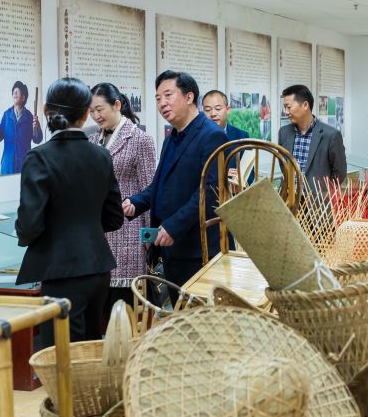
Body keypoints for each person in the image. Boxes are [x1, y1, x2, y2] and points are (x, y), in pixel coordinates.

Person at [15, 77, 124, 347]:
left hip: (61, 271)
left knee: (60, 355)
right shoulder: (101, 155)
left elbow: (30, 225)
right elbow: (114, 218)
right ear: (86, 113)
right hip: (98, 268)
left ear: (45, 110)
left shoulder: (39, 157)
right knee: (90, 350)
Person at [124, 71, 228, 297]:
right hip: (171, 248)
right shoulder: (171, 137)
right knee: (179, 313)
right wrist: (135, 202)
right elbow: (160, 185)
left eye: (168, 95)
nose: (162, 103)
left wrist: (174, 226)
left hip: (198, 249)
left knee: (199, 314)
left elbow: (210, 191)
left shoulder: (212, 135)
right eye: (158, 98)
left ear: (189, 97)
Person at [89, 82, 157, 313]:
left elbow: (150, 191)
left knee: (126, 309)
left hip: (129, 235)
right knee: (101, 310)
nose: (96, 116)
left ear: (117, 105)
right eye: (92, 111)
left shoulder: (140, 139)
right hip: (98, 236)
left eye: (100, 109)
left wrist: (149, 242)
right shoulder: (92, 141)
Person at [278, 84, 347, 189]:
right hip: (289, 197)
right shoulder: (284, 132)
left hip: (318, 198)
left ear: (305, 105)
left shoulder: (331, 135)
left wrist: (325, 192)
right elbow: (283, 164)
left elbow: (340, 172)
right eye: (285, 108)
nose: (286, 112)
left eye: (289, 107)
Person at [0, 81, 43, 175]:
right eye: (13, 92)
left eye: (17, 91)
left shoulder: (30, 117)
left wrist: (36, 129)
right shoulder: (7, 115)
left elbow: (37, 139)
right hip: (8, 166)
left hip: (25, 165)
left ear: (23, 97)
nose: (14, 93)